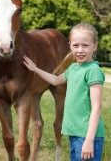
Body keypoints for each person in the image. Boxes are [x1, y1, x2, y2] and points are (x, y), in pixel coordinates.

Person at [23, 23, 105, 161]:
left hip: (87, 136)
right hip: (74, 134)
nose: (80, 50)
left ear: (94, 46)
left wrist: (89, 140)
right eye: (75, 45)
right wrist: (35, 69)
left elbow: (97, 107)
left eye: (85, 45)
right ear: (69, 46)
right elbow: (55, 80)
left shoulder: (93, 71)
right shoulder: (73, 69)